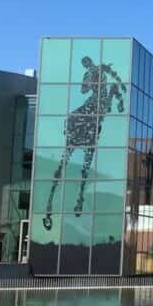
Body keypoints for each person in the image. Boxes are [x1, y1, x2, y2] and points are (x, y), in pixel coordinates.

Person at [42, 55, 127, 230]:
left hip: (91, 108)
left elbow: (84, 90)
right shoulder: (100, 72)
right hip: (94, 111)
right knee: (83, 160)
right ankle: (77, 199)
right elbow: (91, 89)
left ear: (87, 64)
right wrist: (117, 96)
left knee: (66, 159)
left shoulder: (94, 73)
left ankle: (58, 203)